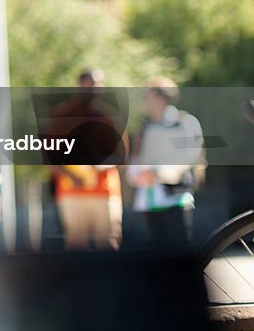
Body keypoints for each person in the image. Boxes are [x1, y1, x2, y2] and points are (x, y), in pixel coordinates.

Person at [49, 69, 128, 250]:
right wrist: (71, 175)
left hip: (105, 192)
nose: (96, 87)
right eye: (91, 83)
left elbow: (121, 155)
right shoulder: (62, 116)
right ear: (80, 85)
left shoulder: (110, 117)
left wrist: (100, 167)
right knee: (76, 246)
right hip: (71, 193)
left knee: (109, 244)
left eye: (100, 83)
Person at [125, 77, 204, 250]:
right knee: (157, 259)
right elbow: (137, 158)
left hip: (176, 199)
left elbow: (190, 155)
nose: (143, 101)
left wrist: (156, 172)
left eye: (147, 96)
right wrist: (136, 176)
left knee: (179, 254)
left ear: (161, 99)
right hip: (149, 201)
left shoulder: (186, 122)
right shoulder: (144, 127)